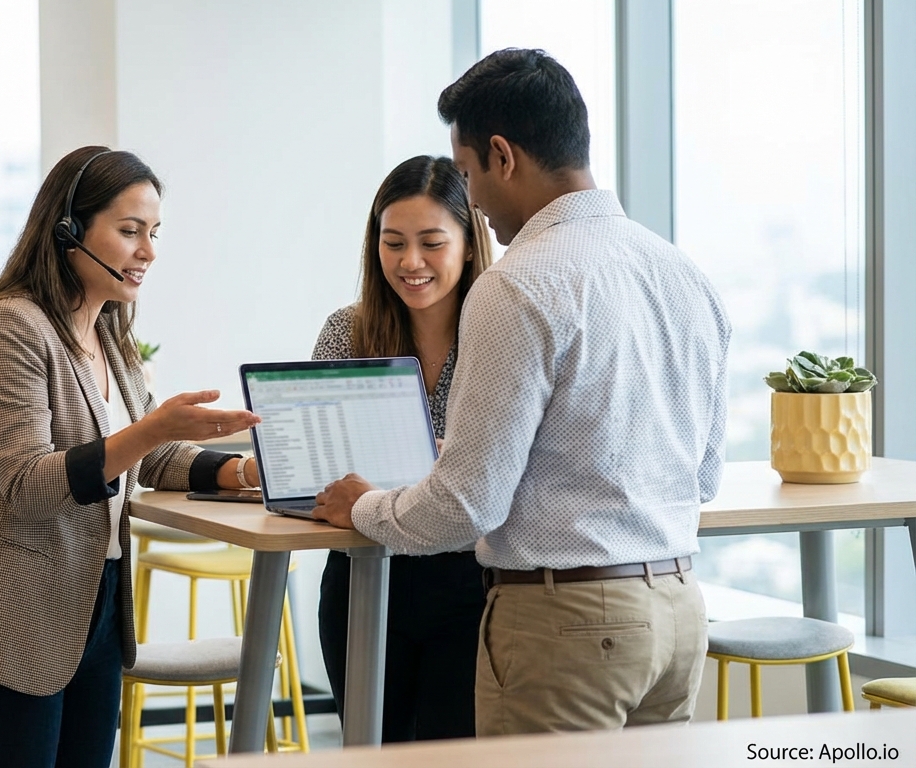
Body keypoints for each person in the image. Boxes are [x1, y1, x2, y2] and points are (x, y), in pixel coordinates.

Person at [313, 48, 731, 735]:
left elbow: (465, 506)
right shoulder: (682, 274)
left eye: (471, 172)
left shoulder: (519, 283)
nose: (473, 196)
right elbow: (702, 476)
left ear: (501, 157)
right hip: (679, 612)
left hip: (566, 622)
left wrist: (365, 505)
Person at [0, 145, 264, 768]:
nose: (148, 251)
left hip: (94, 611)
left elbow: (146, 460)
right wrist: (152, 429)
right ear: (69, 230)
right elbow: (28, 483)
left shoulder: (108, 331)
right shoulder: (13, 327)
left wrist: (242, 471)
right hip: (6, 620)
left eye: (153, 233)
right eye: (129, 231)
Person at [312, 154, 491, 741]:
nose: (410, 263)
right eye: (393, 243)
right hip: (364, 574)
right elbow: (325, 465)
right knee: (371, 749)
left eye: (431, 243)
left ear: (468, 244)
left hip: (472, 581)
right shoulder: (348, 331)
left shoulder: (500, 332)